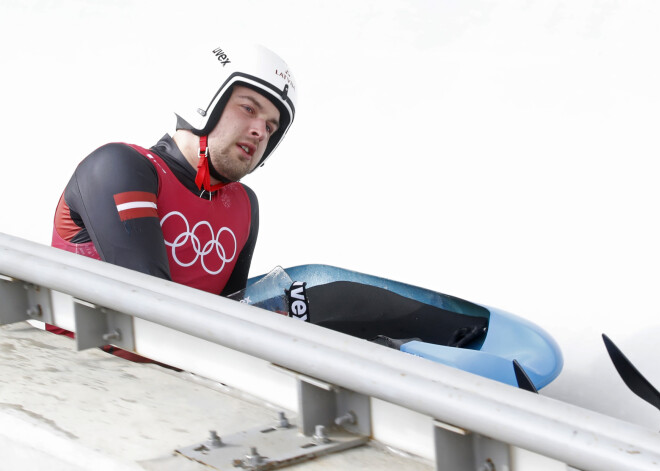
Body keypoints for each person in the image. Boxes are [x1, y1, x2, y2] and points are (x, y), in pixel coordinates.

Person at [48, 43, 297, 357]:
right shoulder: (119, 166)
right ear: (205, 101)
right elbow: (151, 305)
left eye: (271, 126)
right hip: (81, 385)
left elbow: (230, 310)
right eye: (249, 109)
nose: (261, 131)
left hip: (176, 391)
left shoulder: (245, 206)